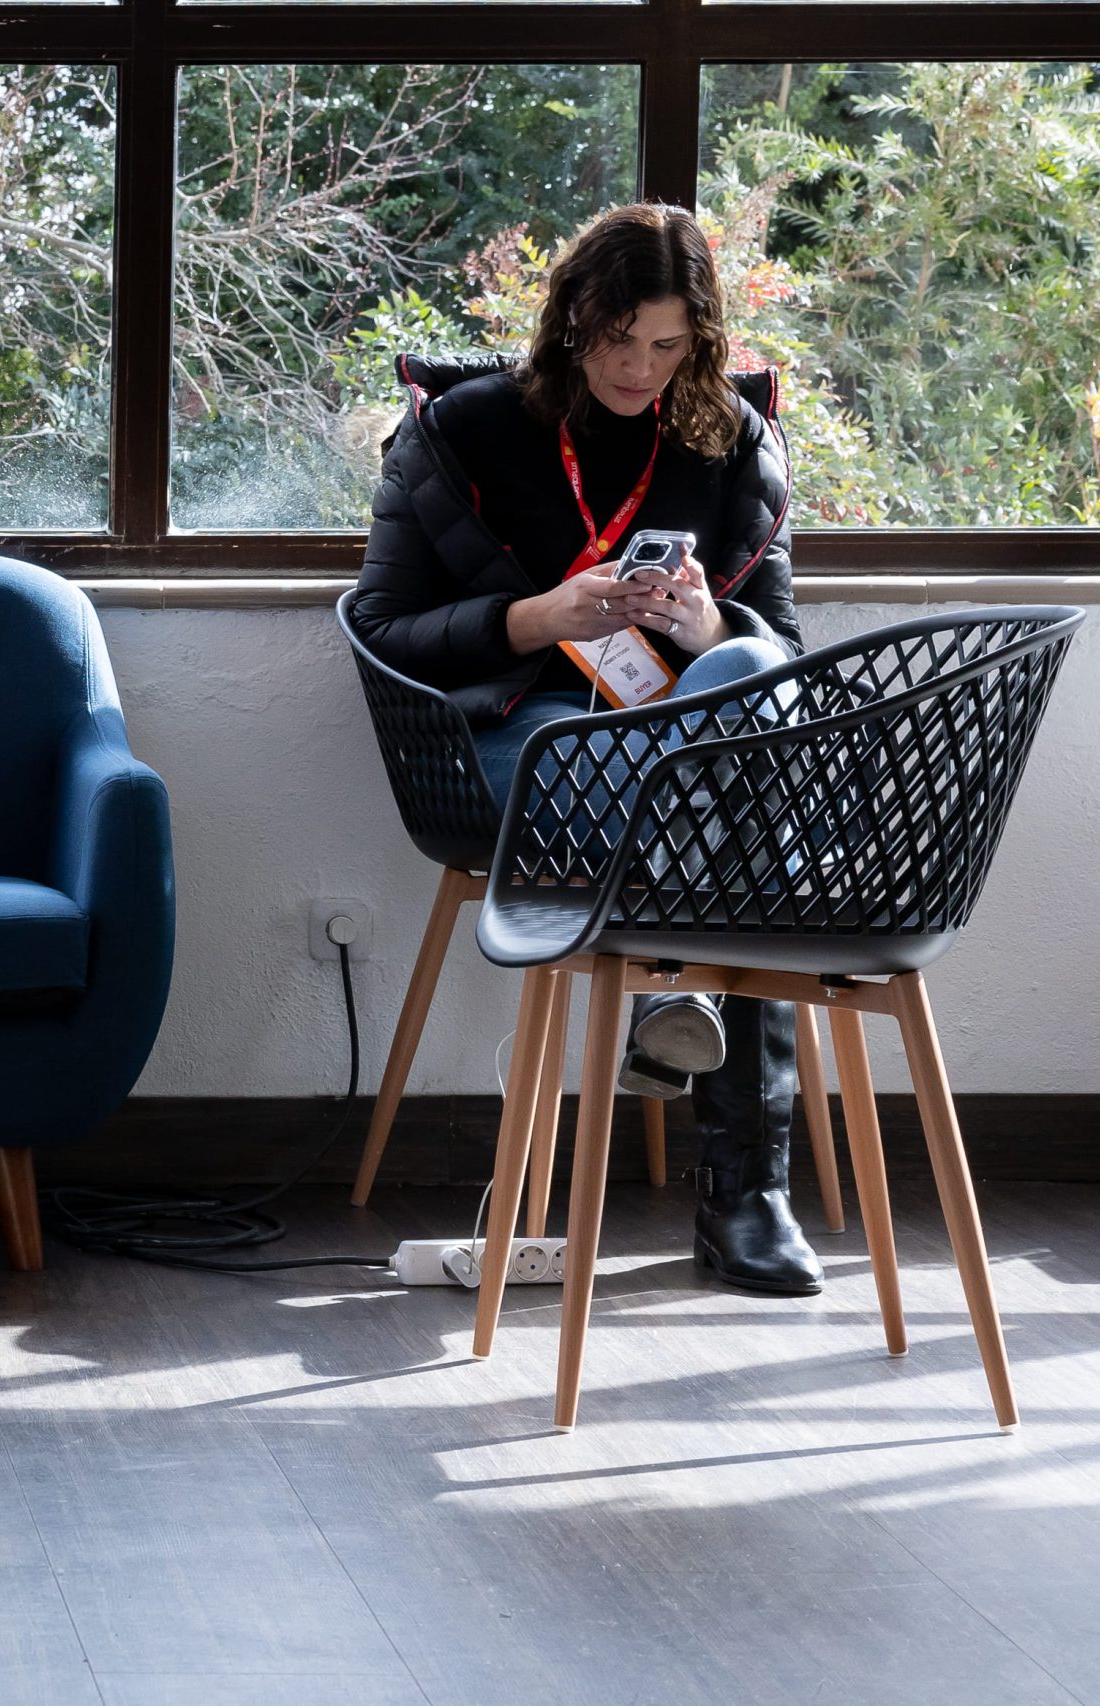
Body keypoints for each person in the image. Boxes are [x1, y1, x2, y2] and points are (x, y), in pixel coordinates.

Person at [348, 202, 821, 1296]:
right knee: (753, 846)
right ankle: (746, 1189)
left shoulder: (731, 442)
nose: (639, 369)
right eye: (618, 340)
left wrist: (706, 626)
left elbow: (781, 654)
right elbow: (380, 625)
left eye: (667, 346)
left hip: (689, 729)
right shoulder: (463, 429)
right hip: (525, 721)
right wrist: (537, 618)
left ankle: (683, 1031)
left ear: (700, 339)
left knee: (744, 673)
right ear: (572, 317)